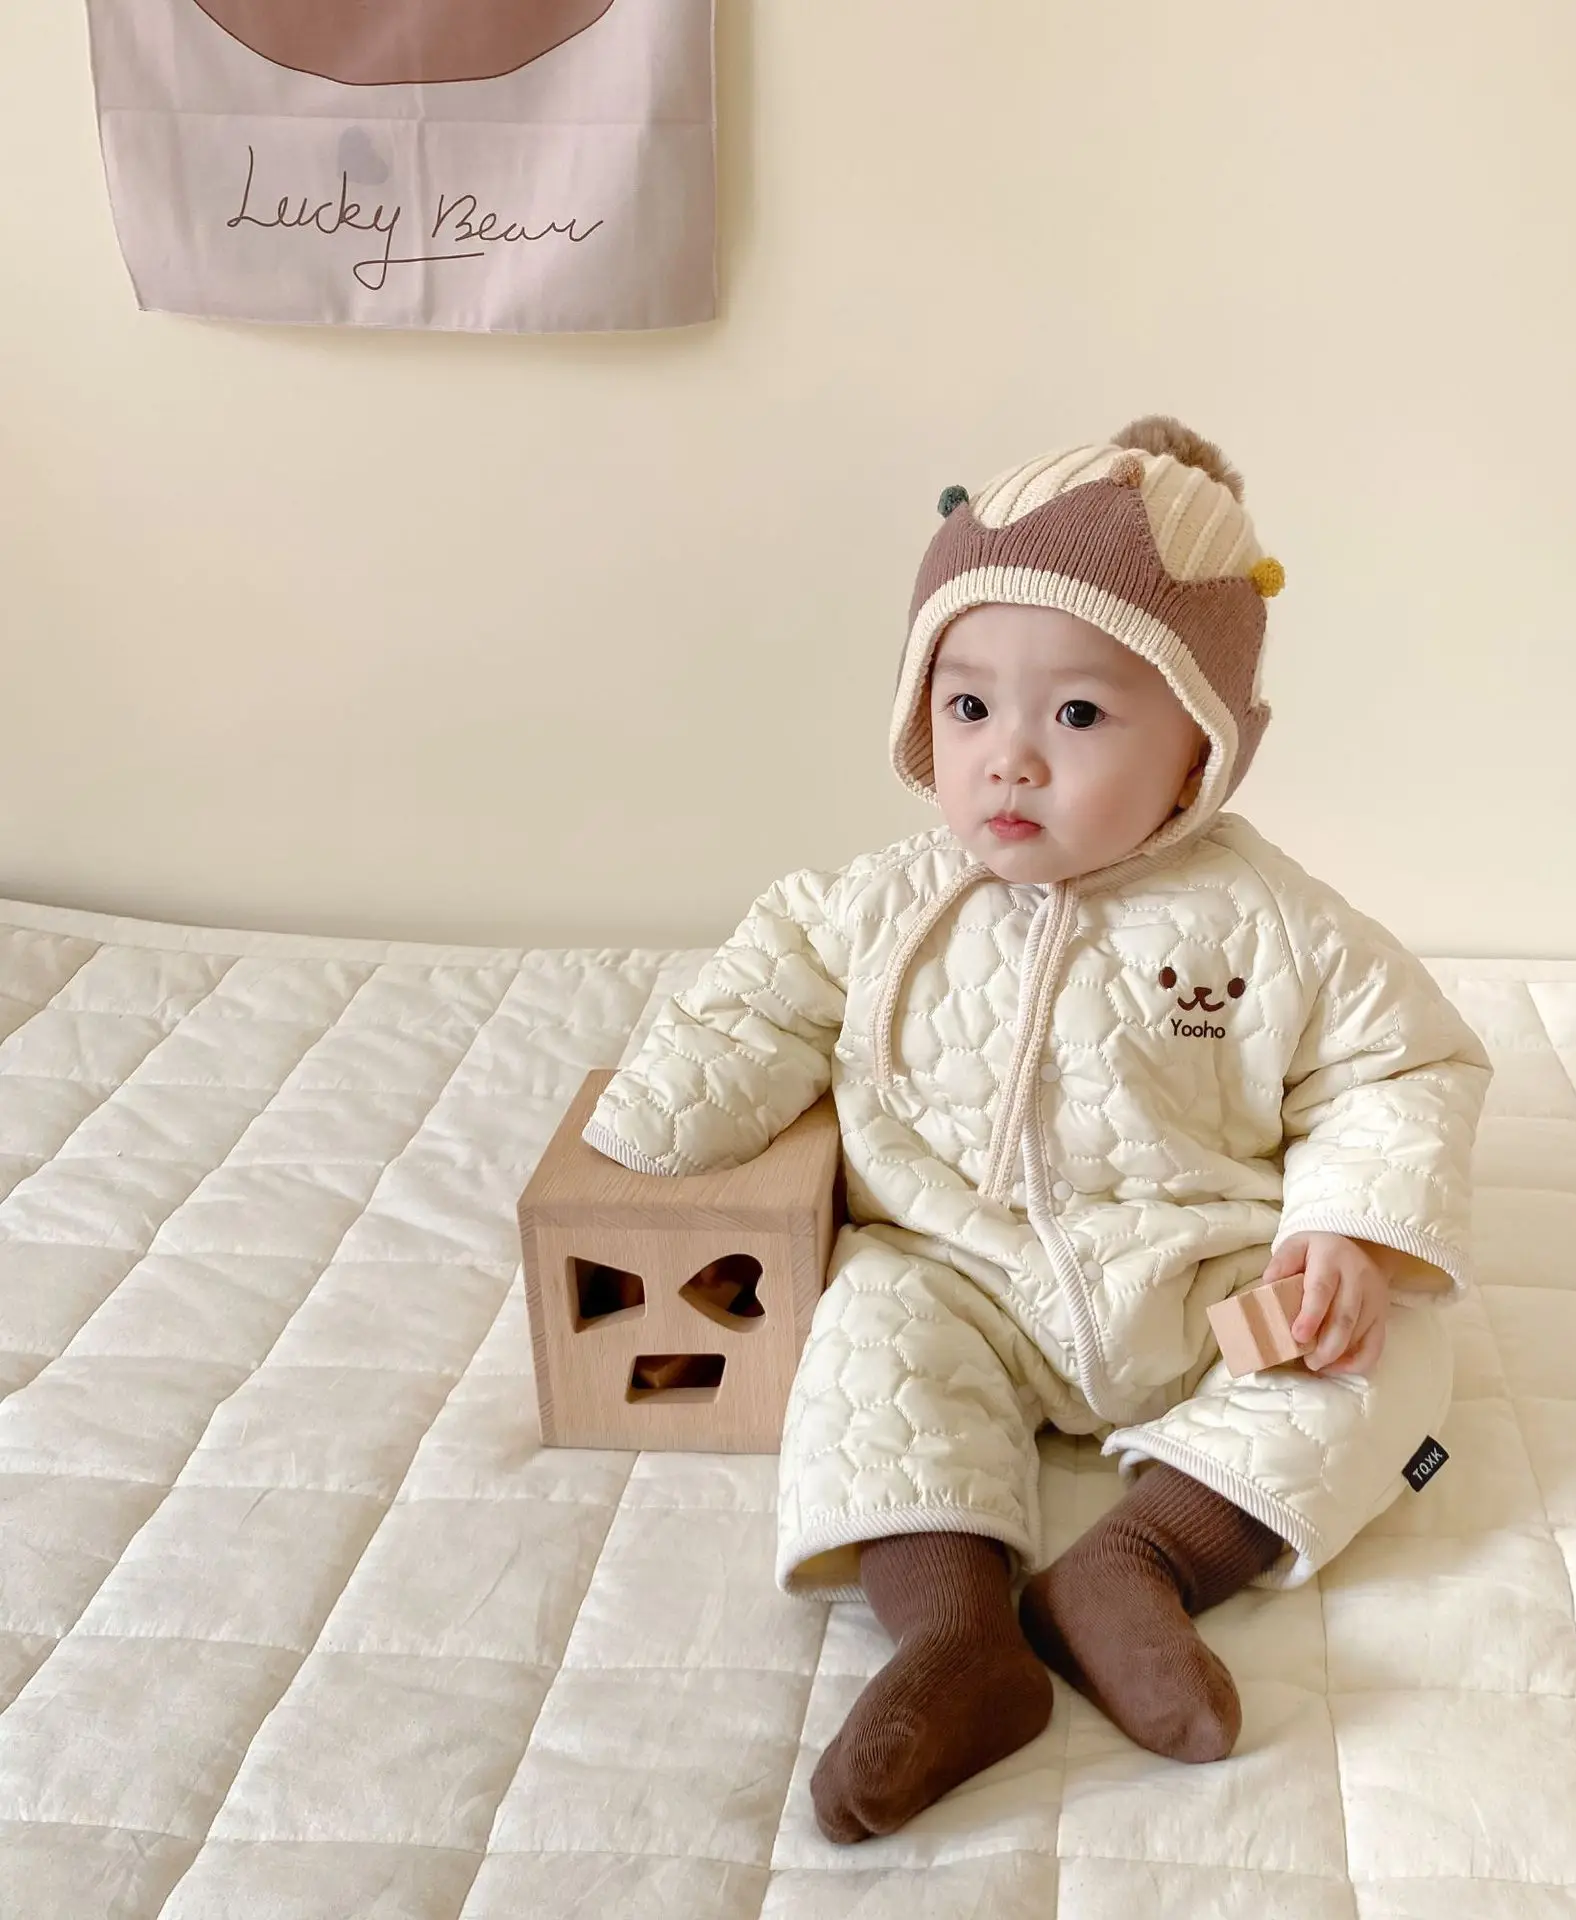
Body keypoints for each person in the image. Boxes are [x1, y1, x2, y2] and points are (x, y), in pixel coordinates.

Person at [584, 416, 1493, 1843]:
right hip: (962, 1269)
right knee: (869, 1348)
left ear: (1199, 751)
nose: (1008, 759)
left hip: (1202, 1276)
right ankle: (958, 1641)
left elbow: (1400, 1066)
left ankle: (1135, 1566)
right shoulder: (883, 902)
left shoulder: (1274, 921)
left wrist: (1350, 1234)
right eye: (967, 708)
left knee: (1396, 1360)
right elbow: (764, 987)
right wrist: (660, 1116)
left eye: (1076, 717)